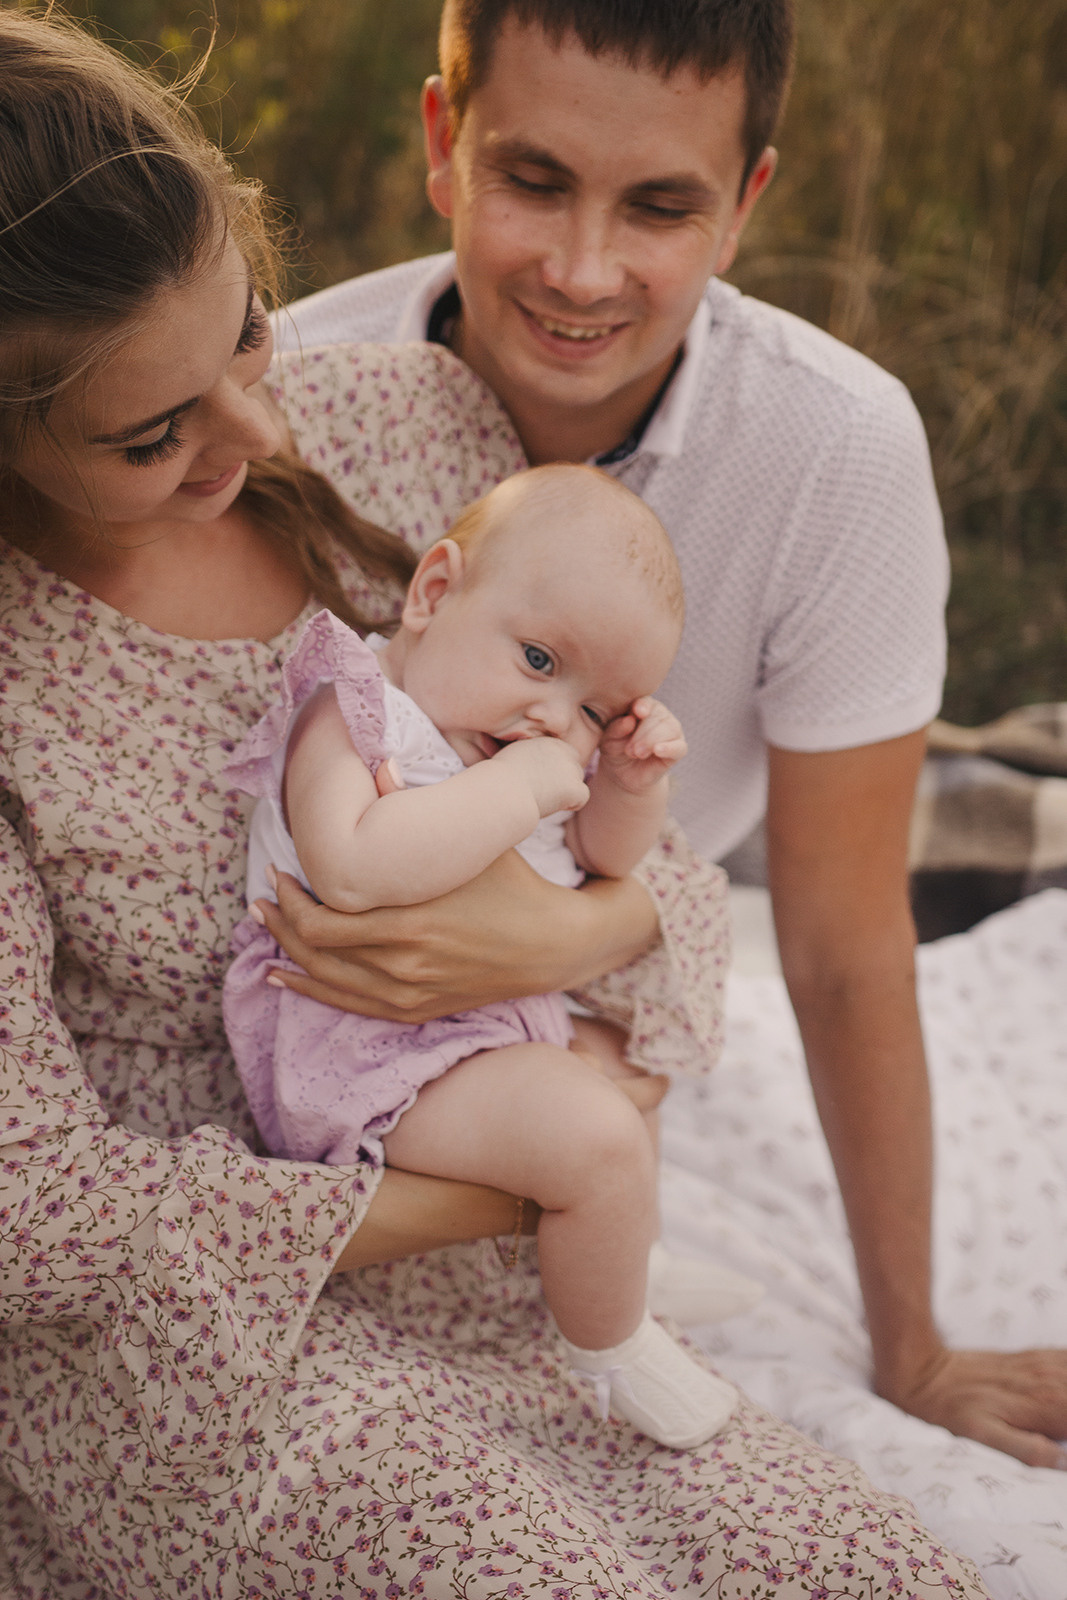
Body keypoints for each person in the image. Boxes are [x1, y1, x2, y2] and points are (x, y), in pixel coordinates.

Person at [0, 7, 993, 1596]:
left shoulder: (420, 426)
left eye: (247, 334)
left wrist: (559, 935)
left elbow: (680, 899)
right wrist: (505, 1189)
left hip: (525, 1294)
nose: (259, 428)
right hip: (205, 1349)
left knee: (860, 1569)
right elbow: (31, 1211)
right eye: (151, 432)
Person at [277, 0, 1067, 1470]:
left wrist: (913, 1349)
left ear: (745, 201)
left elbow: (840, 937)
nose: (583, 272)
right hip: (322, 1026)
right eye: (531, 180)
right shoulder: (285, 404)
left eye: (657, 207)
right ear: (443, 141)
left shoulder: (834, 450)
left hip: (598, 1017)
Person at [223, 463, 738, 1450]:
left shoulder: (512, 745)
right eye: (539, 659)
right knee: (594, 1137)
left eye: (596, 712)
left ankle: (626, 1260)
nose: (555, 719)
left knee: (626, 1066)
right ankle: (613, 1349)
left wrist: (628, 789)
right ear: (431, 593)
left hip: (476, 1025)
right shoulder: (357, 705)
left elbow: (601, 863)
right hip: (364, 1046)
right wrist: (527, 785)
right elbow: (352, 865)